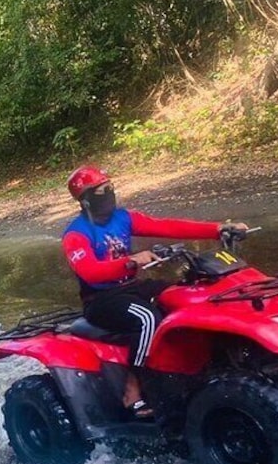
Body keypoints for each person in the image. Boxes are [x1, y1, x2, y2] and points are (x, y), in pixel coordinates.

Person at [62, 165, 247, 417]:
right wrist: (130, 262)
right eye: (102, 190)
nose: (110, 193)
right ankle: (133, 388)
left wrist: (218, 229)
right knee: (147, 317)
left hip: (130, 287)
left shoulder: (122, 218)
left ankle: (205, 364)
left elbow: (167, 226)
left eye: (110, 187)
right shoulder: (76, 234)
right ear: (85, 200)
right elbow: (90, 272)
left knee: (189, 295)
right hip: (101, 299)